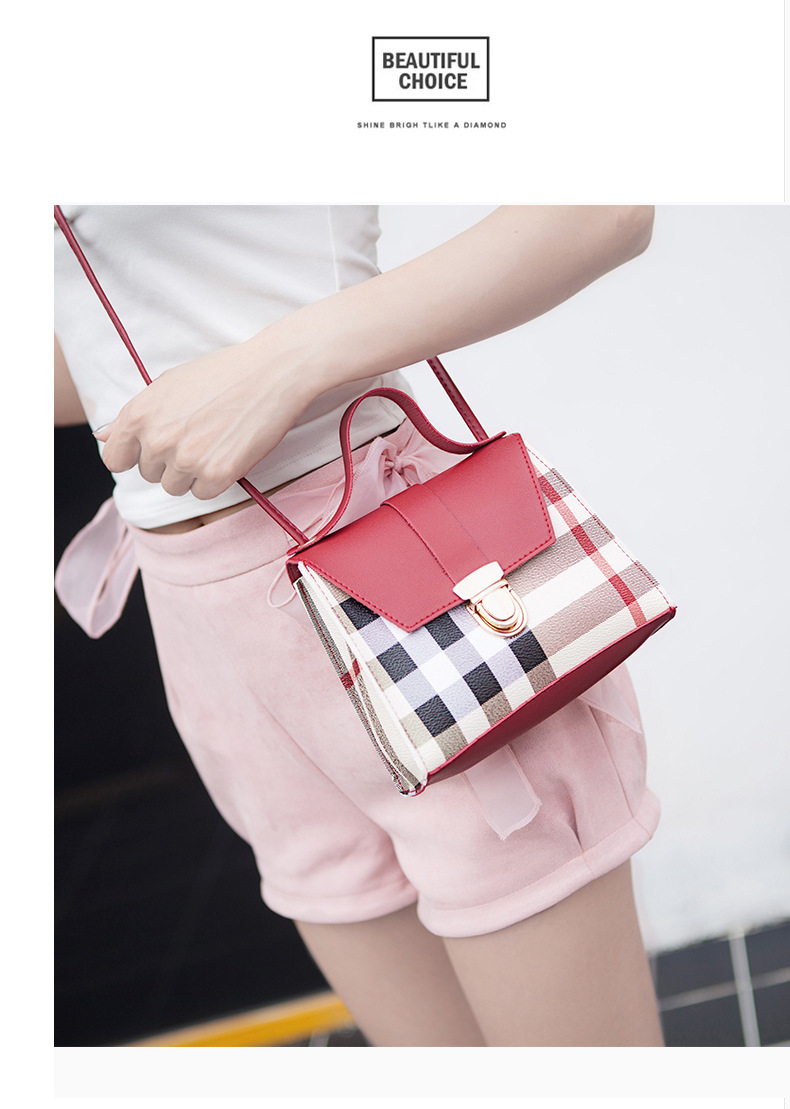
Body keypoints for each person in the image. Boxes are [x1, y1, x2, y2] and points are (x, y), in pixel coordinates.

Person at [55, 204, 664, 1047]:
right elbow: (102, 353)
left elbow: (603, 207)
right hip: (208, 623)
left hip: (392, 575)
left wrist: (281, 361)